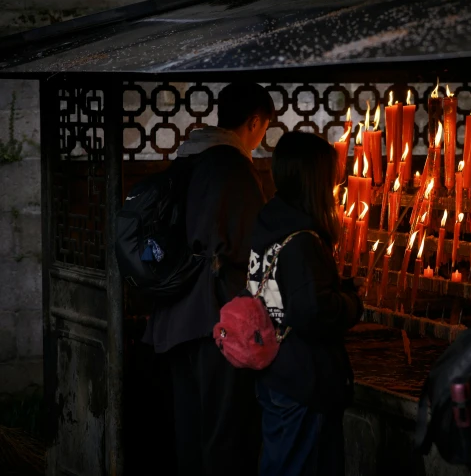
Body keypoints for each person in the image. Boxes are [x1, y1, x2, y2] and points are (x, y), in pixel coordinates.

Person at [142, 82, 274, 476]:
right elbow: (253, 246)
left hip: (173, 317)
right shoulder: (232, 167)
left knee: (190, 428)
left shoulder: (185, 162)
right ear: (255, 121)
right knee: (224, 431)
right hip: (214, 320)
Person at [247, 131, 364, 476]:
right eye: (330, 176)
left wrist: (336, 285)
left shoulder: (271, 221)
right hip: (303, 379)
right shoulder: (303, 239)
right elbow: (311, 312)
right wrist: (353, 302)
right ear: (315, 180)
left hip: (275, 371)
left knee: (278, 464)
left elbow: (284, 288)